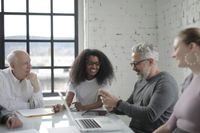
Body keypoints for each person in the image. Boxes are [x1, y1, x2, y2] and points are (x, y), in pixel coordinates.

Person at [100, 43, 179, 133]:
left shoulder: (165, 83)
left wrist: (117, 103)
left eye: (136, 63)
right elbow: (129, 106)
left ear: (150, 61)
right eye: (132, 64)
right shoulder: (140, 81)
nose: (133, 68)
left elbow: (150, 115)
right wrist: (112, 107)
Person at [153, 27, 200, 133]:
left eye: (176, 48)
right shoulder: (188, 81)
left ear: (191, 46)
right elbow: (169, 126)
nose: (173, 55)